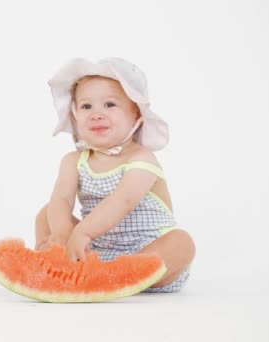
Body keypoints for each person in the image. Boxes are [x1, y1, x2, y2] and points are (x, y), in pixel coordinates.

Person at [35, 57, 195, 292]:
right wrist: (62, 234)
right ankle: (54, 263)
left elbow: (123, 201)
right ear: (74, 116)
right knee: (47, 212)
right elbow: (61, 199)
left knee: (182, 243)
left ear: (136, 117)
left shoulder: (142, 159)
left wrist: (82, 231)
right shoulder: (73, 162)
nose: (96, 114)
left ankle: (123, 277)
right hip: (92, 250)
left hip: (147, 251)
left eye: (110, 105)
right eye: (86, 106)